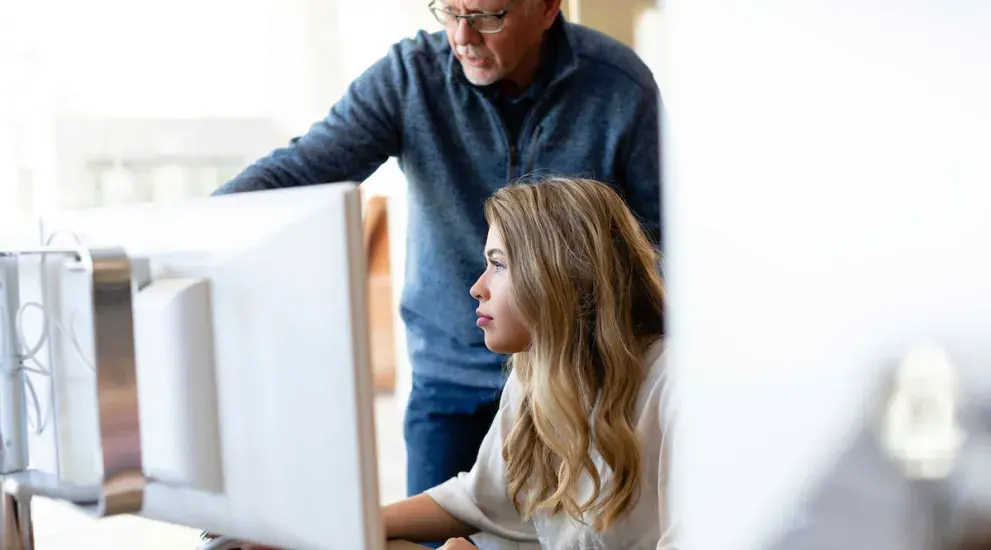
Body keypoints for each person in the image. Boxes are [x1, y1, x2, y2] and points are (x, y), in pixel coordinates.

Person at [212, 0, 661, 517]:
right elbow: (299, 172)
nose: (463, 36)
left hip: (580, 380)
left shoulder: (620, 85)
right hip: (450, 378)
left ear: (546, 9)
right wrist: (188, 236)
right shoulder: (409, 78)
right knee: (431, 532)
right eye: (448, 11)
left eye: (488, 16)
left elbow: (662, 241)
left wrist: (640, 364)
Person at [380, 177, 675, 549]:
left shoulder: (675, 385)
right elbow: (479, 501)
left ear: (559, 273)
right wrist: (349, 526)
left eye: (497, 265)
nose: (477, 287)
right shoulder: (535, 376)